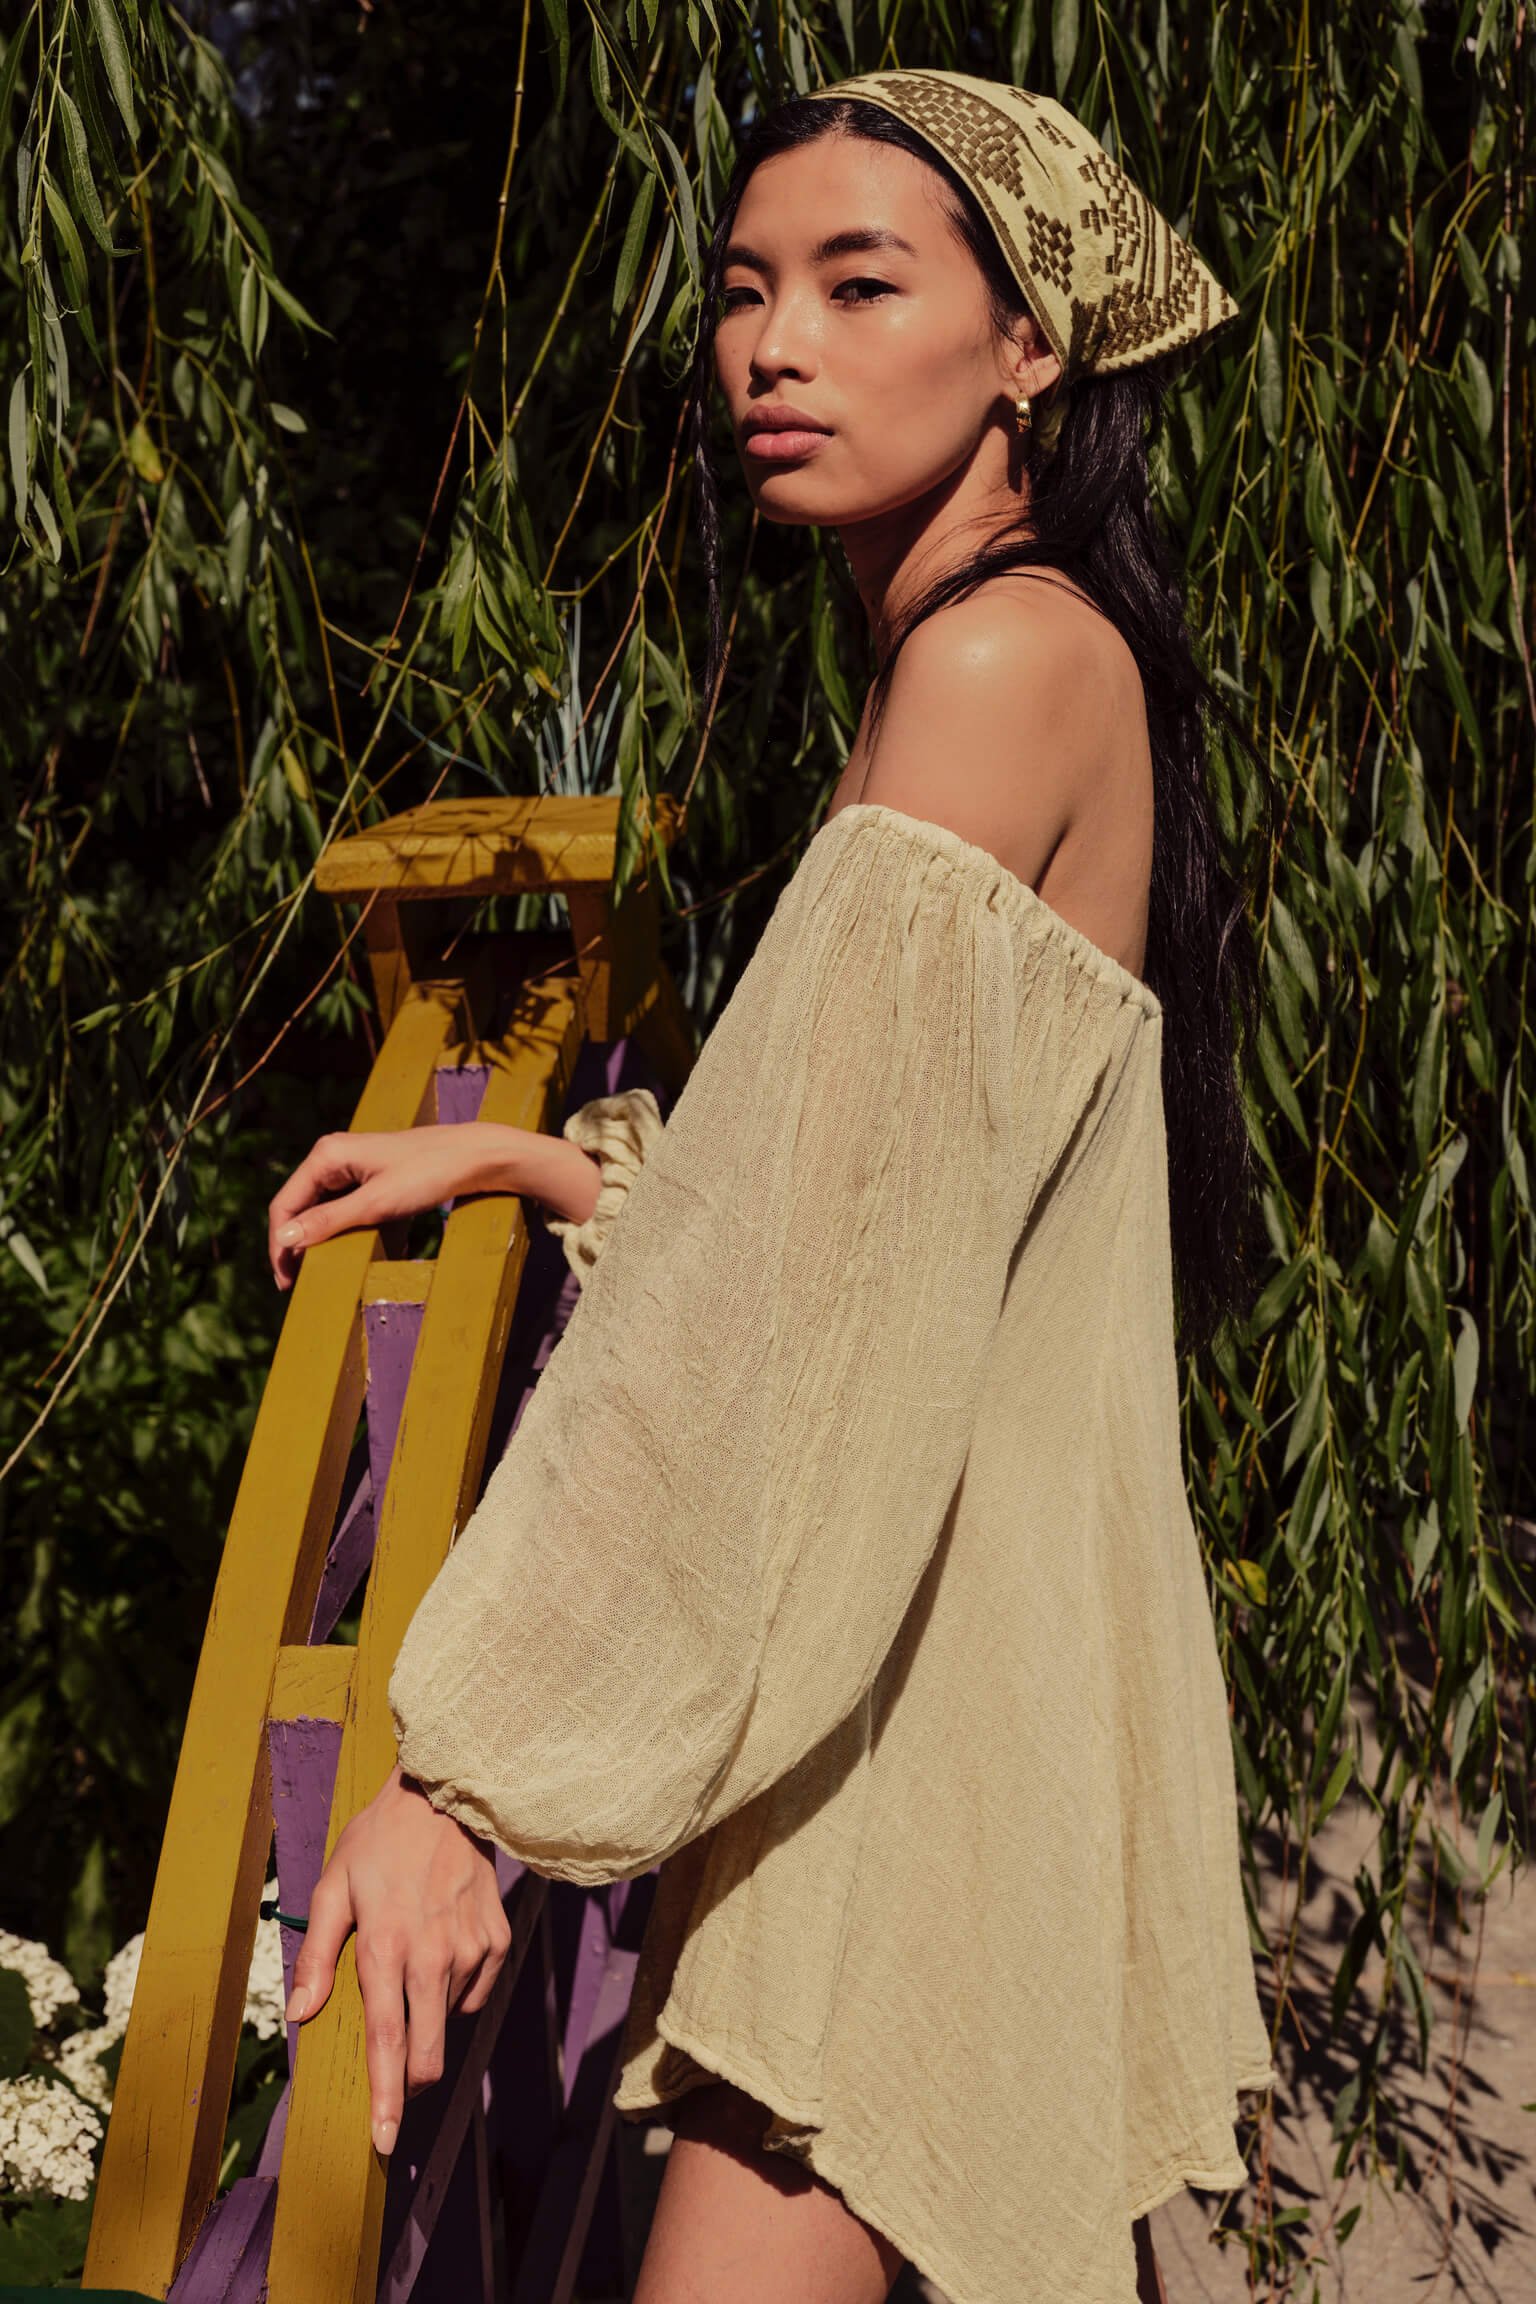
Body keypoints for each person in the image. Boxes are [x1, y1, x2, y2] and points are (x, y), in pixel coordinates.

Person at [268, 70, 1279, 2304]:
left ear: (1032, 347)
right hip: (962, 1684)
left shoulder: (1002, 662)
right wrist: (545, 1155)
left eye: (857, 281)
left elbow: (790, 1320)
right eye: (741, 293)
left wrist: (468, 1786)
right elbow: (866, 1227)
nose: (772, 347)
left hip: (913, 1732)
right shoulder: (1008, 663)